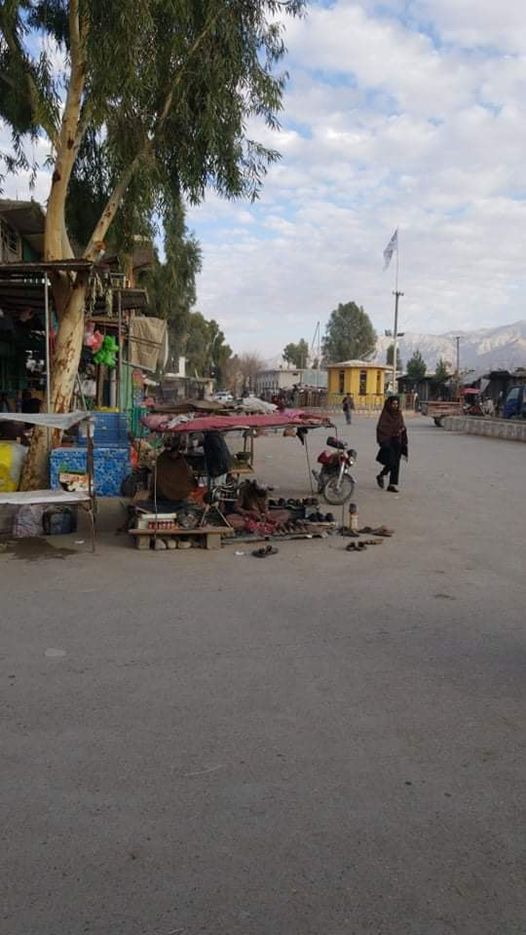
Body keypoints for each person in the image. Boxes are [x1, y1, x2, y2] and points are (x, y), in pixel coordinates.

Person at [375, 396, 408, 493]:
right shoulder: (385, 414)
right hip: (387, 440)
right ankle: (381, 475)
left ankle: (391, 484)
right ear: (389, 404)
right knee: (391, 461)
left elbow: (402, 425)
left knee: (396, 463)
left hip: (397, 440)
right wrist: (387, 435)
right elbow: (381, 427)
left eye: (397, 404)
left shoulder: (399, 413)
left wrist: (401, 429)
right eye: (393, 404)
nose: (395, 406)